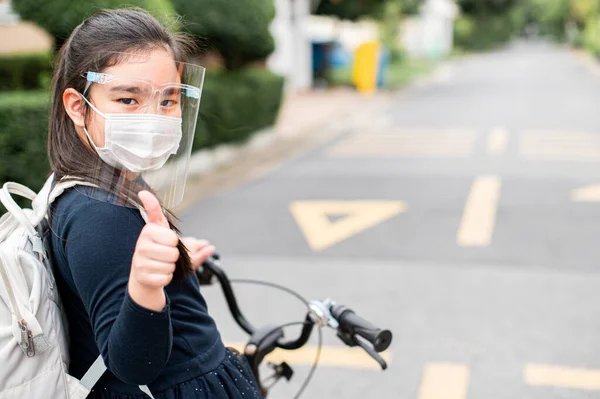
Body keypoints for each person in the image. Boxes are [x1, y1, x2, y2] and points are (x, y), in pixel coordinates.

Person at [47, 8, 263, 399]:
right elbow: (133, 363)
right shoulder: (99, 213)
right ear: (78, 106)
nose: (153, 118)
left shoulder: (110, 180)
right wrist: (146, 282)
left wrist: (170, 267)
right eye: (128, 99)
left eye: (167, 100)